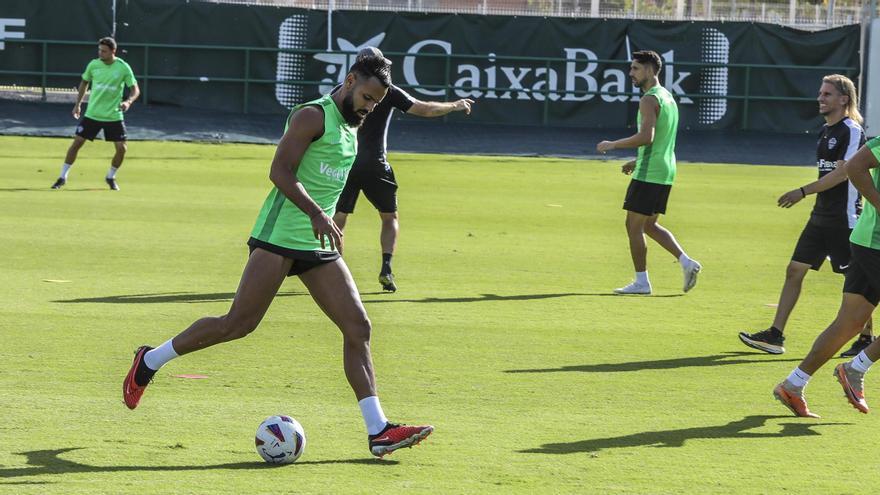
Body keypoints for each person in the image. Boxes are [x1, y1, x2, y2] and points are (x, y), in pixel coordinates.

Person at [122, 55, 433, 457]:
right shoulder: (311, 116)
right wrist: (319, 215)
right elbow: (280, 172)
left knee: (358, 327)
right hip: (280, 235)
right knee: (238, 323)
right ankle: (149, 361)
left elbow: (328, 180)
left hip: (317, 243)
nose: (369, 108)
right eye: (367, 98)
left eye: (375, 103)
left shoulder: (353, 124)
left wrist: (329, 228)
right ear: (350, 80)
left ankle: (378, 431)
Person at [740, 74, 873, 356]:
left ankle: (865, 337)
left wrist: (803, 191)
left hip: (844, 218)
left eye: (827, 94)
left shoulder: (851, 130)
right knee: (794, 270)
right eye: (820, 93)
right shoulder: (826, 131)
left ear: (843, 99)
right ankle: (775, 335)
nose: (820, 98)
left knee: (856, 280)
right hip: (821, 216)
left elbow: (843, 173)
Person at [332, 47, 474, 292]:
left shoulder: (342, 90)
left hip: (346, 161)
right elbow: (424, 109)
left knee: (339, 219)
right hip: (375, 163)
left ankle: (335, 272)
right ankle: (386, 267)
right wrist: (454, 105)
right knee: (389, 218)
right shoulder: (387, 91)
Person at [773, 136, 880, 418]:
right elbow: (855, 166)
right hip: (875, 244)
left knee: (850, 323)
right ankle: (855, 368)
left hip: (868, 243)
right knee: (850, 323)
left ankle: (793, 385)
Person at [596, 50, 701, 295]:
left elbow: (647, 137)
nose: (630, 73)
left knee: (633, 226)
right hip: (665, 170)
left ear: (650, 70)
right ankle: (687, 262)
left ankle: (642, 282)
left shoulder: (649, 99)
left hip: (650, 172)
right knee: (650, 226)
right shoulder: (667, 97)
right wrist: (637, 159)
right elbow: (662, 140)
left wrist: (613, 144)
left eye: (635, 69)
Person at [51, 37, 139, 191]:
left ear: (113, 51)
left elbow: (135, 89)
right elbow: (84, 82)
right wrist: (78, 104)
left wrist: (128, 102)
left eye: (104, 51)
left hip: (113, 115)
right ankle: (62, 177)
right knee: (76, 143)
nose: (100, 53)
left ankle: (110, 176)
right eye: (99, 50)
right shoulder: (93, 65)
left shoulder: (123, 67)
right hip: (93, 114)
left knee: (122, 149)